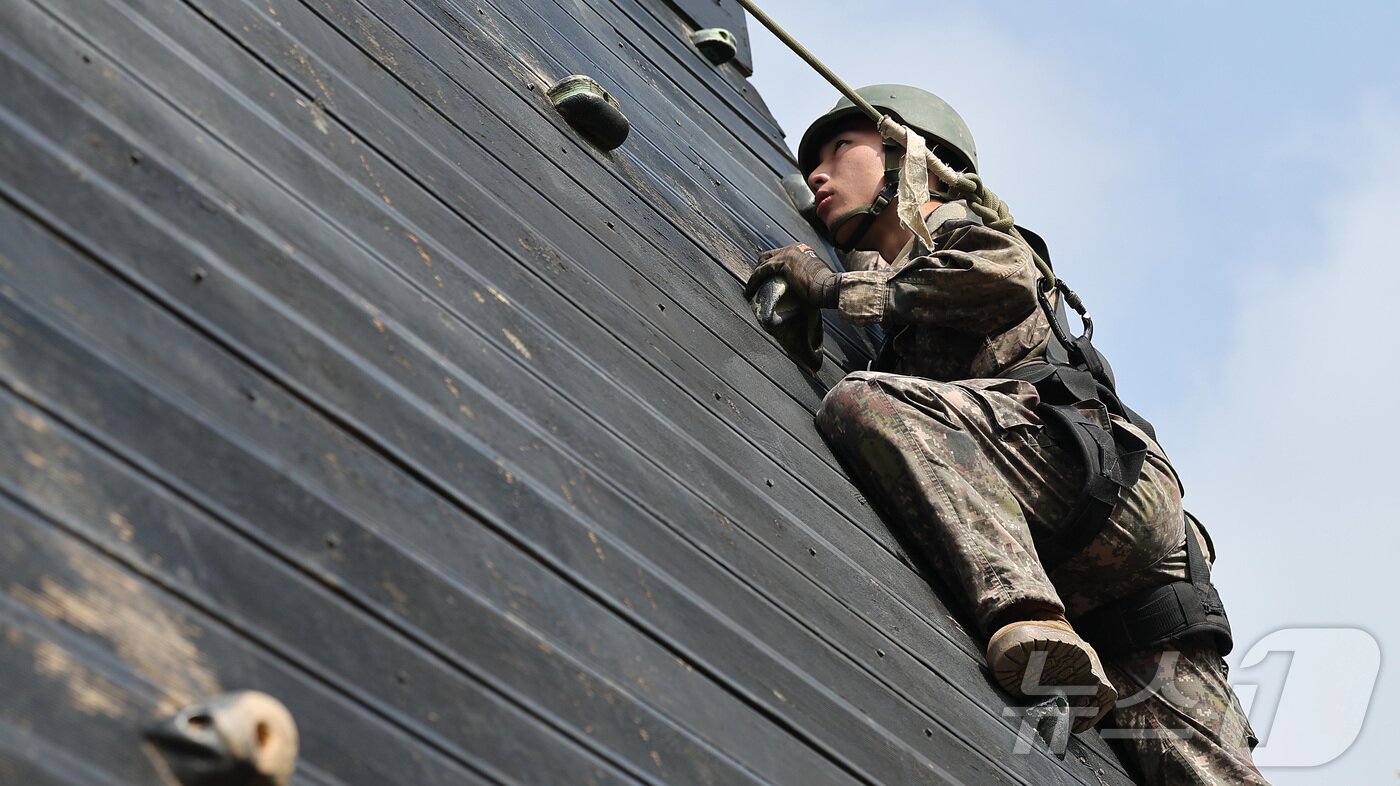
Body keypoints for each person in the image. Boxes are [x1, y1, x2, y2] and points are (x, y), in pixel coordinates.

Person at [745, 85, 1268, 785]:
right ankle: (1055, 637)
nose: (818, 175)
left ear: (912, 159)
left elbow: (1006, 276)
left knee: (865, 405)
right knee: (1205, 770)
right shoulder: (900, 280)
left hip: (1075, 477)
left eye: (842, 150)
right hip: (1123, 554)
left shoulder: (961, 228)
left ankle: (1028, 616)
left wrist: (832, 291)